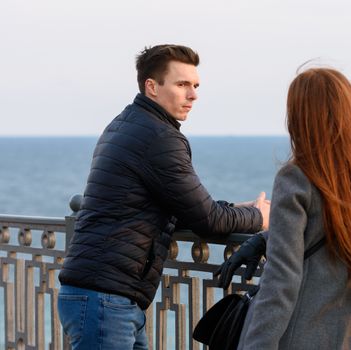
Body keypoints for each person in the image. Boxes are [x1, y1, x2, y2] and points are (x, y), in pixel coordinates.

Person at [57, 44, 270, 350]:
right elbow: (207, 219)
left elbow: (180, 203)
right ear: (152, 87)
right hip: (106, 299)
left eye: (195, 86)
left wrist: (236, 208)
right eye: (182, 84)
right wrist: (260, 217)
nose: (193, 95)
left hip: (107, 295)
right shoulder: (159, 137)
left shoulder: (124, 125)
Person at [215, 67, 351, 349]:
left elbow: (282, 280)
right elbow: (331, 233)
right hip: (342, 338)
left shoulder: (296, 178)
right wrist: (268, 237)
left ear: (303, 119)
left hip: (292, 338)